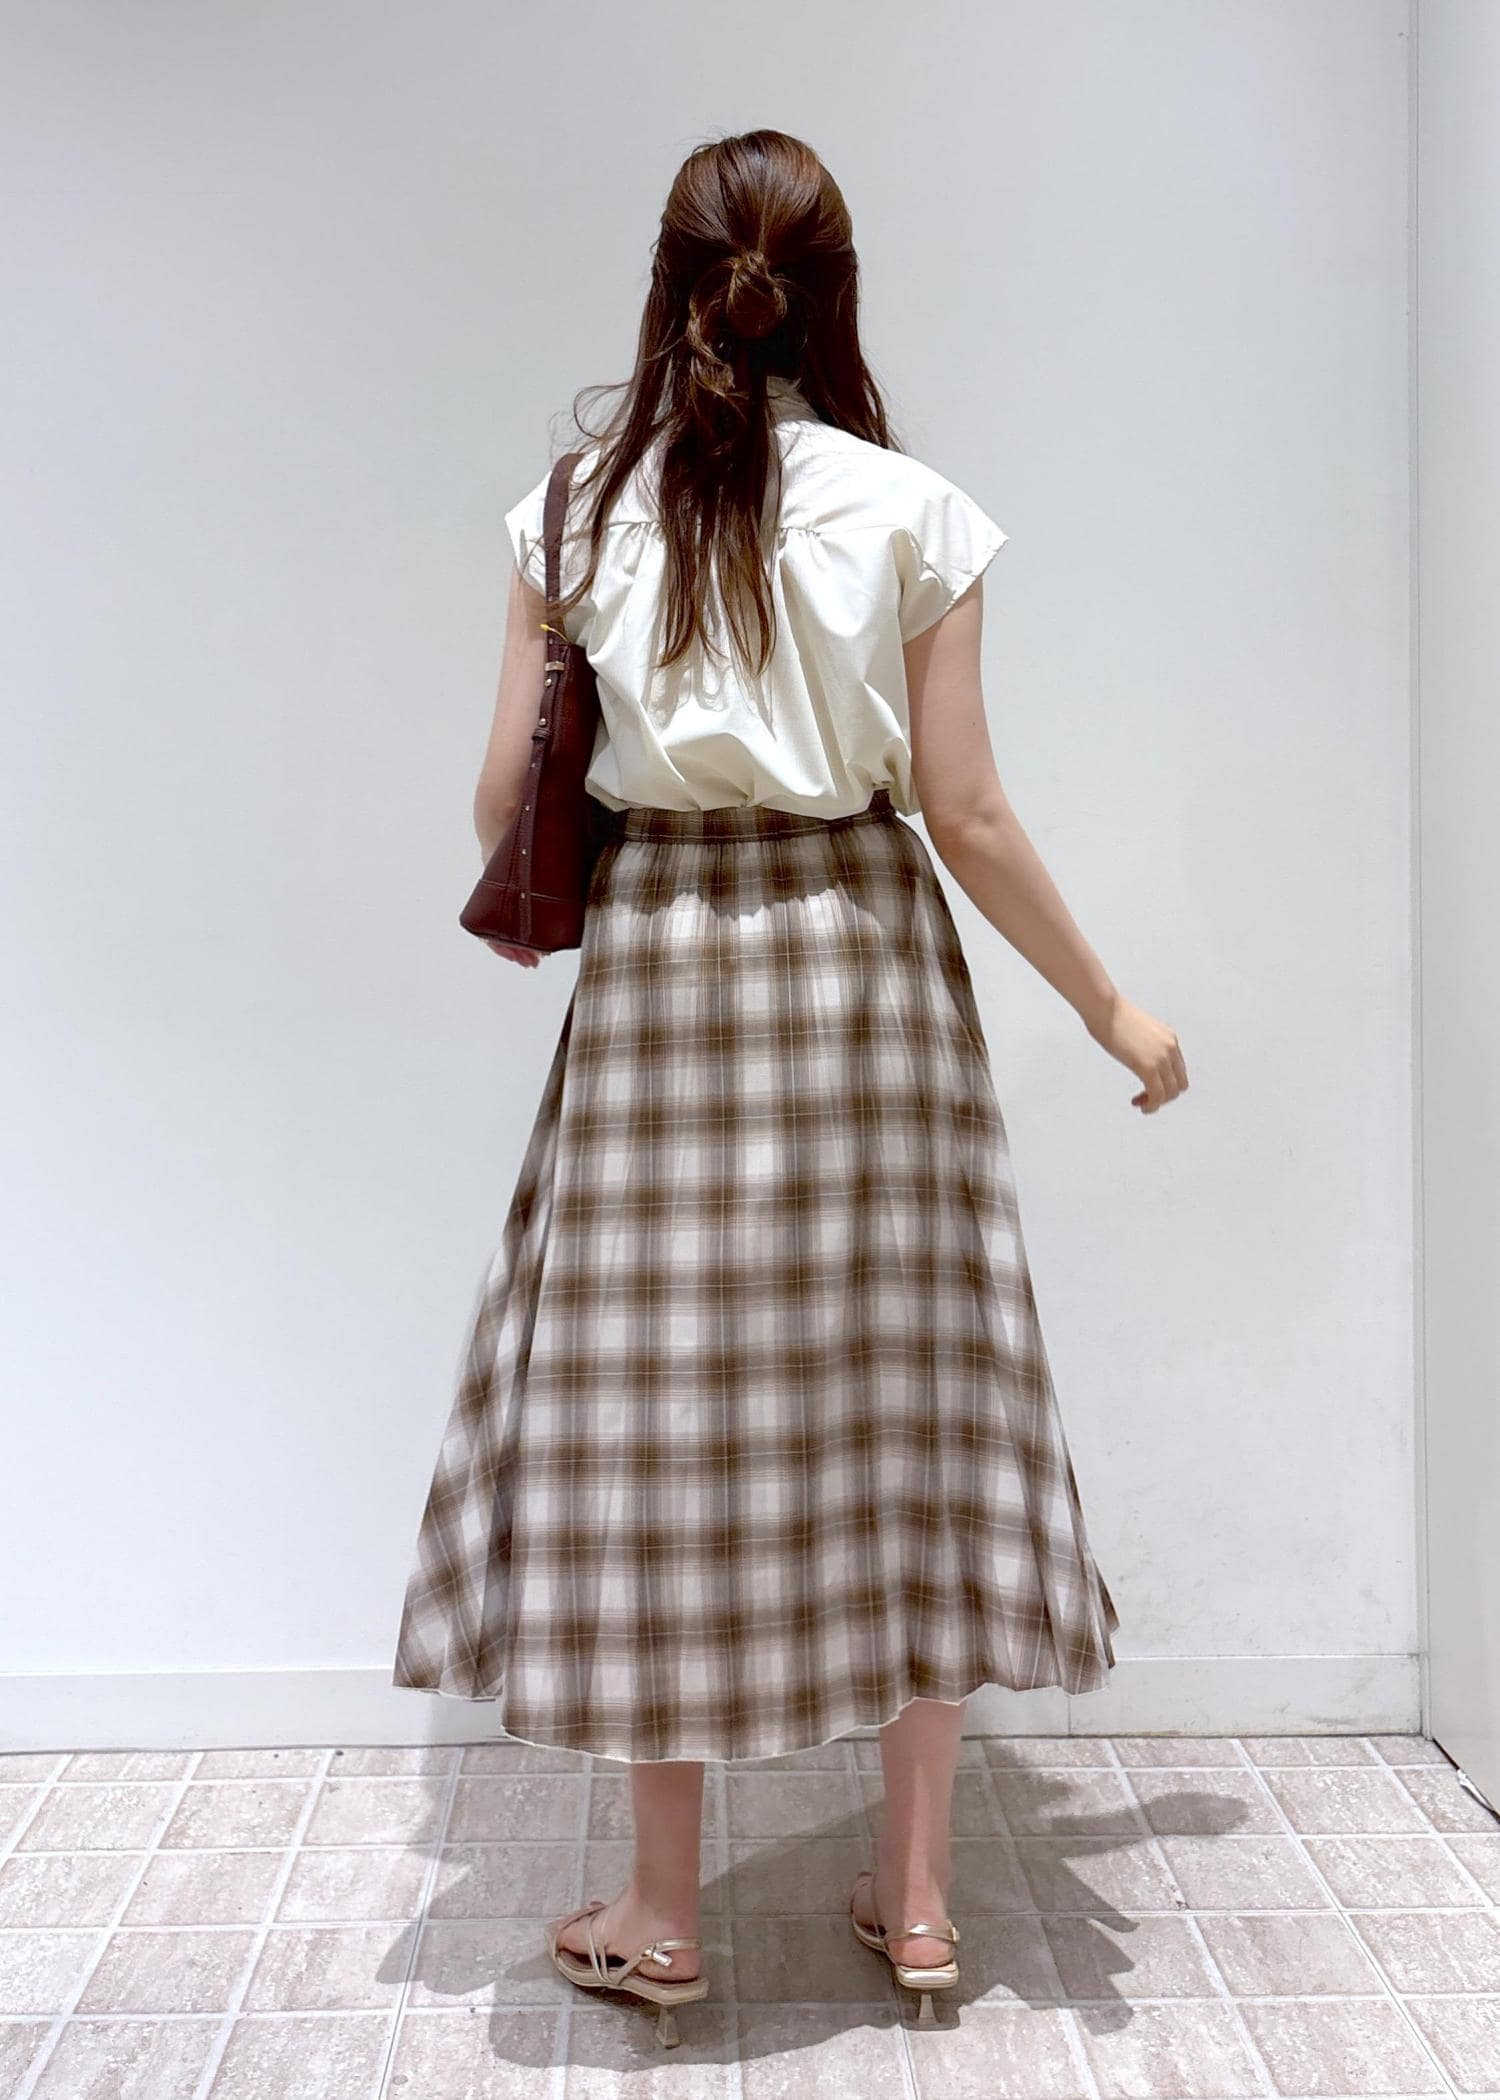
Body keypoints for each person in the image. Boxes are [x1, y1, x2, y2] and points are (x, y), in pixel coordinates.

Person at [393, 127, 1187, 2045]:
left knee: (655, 1419)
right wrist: (1110, 1008)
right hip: (864, 973)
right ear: (832, 293)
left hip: (665, 984)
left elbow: (501, 804)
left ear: (671, 287)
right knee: (916, 1395)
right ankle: (914, 1901)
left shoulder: (571, 512)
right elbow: (966, 813)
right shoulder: (915, 511)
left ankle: (663, 1915)